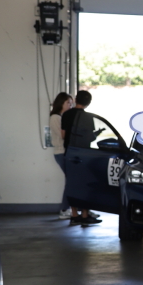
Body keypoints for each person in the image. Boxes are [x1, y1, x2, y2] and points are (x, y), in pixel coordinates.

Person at [61, 89, 103, 226]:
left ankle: (74, 215)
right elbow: (89, 137)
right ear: (88, 103)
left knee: (72, 184)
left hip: (69, 153)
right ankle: (85, 215)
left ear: (75, 99)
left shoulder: (66, 114)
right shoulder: (88, 117)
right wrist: (97, 134)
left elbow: (63, 135)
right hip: (84, 154)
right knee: (85, 184)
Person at [49, 92, 73, 221]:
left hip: (64, 152)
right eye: (68, 103)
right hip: (61, 152)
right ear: (61, 103)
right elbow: (62, 135)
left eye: (71, 103)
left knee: (72, 181)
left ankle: (76, 209)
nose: (70, 105)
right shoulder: (56, 117)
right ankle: (64, 209)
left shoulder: (61, 117)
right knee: (71, 181)